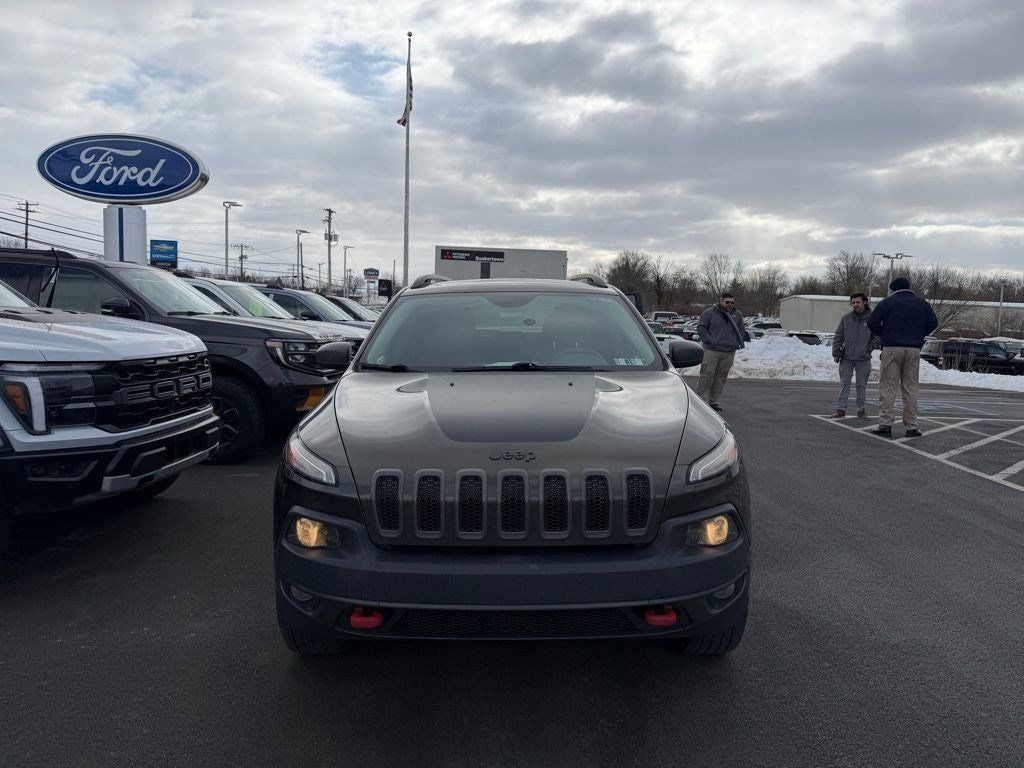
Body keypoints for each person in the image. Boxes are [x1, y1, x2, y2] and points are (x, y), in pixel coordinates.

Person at [865, 277, 939, 437]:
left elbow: (872, 322)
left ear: (893, 289)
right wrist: (919, 334)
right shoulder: (921, 303)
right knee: (910, 387)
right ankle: (912, 426)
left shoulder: (887, 303)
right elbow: (933, 322)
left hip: (891, 347)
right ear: (908, 288)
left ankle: (885, 425)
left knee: (888, 386)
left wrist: (886, 333)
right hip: (913, 349)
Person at [695, 292, 749, 411]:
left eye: (732, 302)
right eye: (727, 302)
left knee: (721, 377)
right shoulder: (710, 313)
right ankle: (701, 401)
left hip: (729, 351)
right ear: (721, 301)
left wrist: (736, 342)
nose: (730, 304)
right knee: (706, 375)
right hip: (711, 350)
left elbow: (741, 330)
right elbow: (701, 327)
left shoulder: (737, 314)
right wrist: (709, 340)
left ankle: (713, 401)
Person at [829, 292, 875, 419]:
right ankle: (841, 410)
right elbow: (838, 336)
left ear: (864, 302)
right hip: (847, 358)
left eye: (858, 302)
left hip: (863, 359)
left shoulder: (872, 318)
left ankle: (861, 410)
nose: (855, 305)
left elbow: (878, 337)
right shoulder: (846, 318)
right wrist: (836, 351)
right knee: (845, 384)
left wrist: (868, 349)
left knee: (861, 385)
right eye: (853, 302)